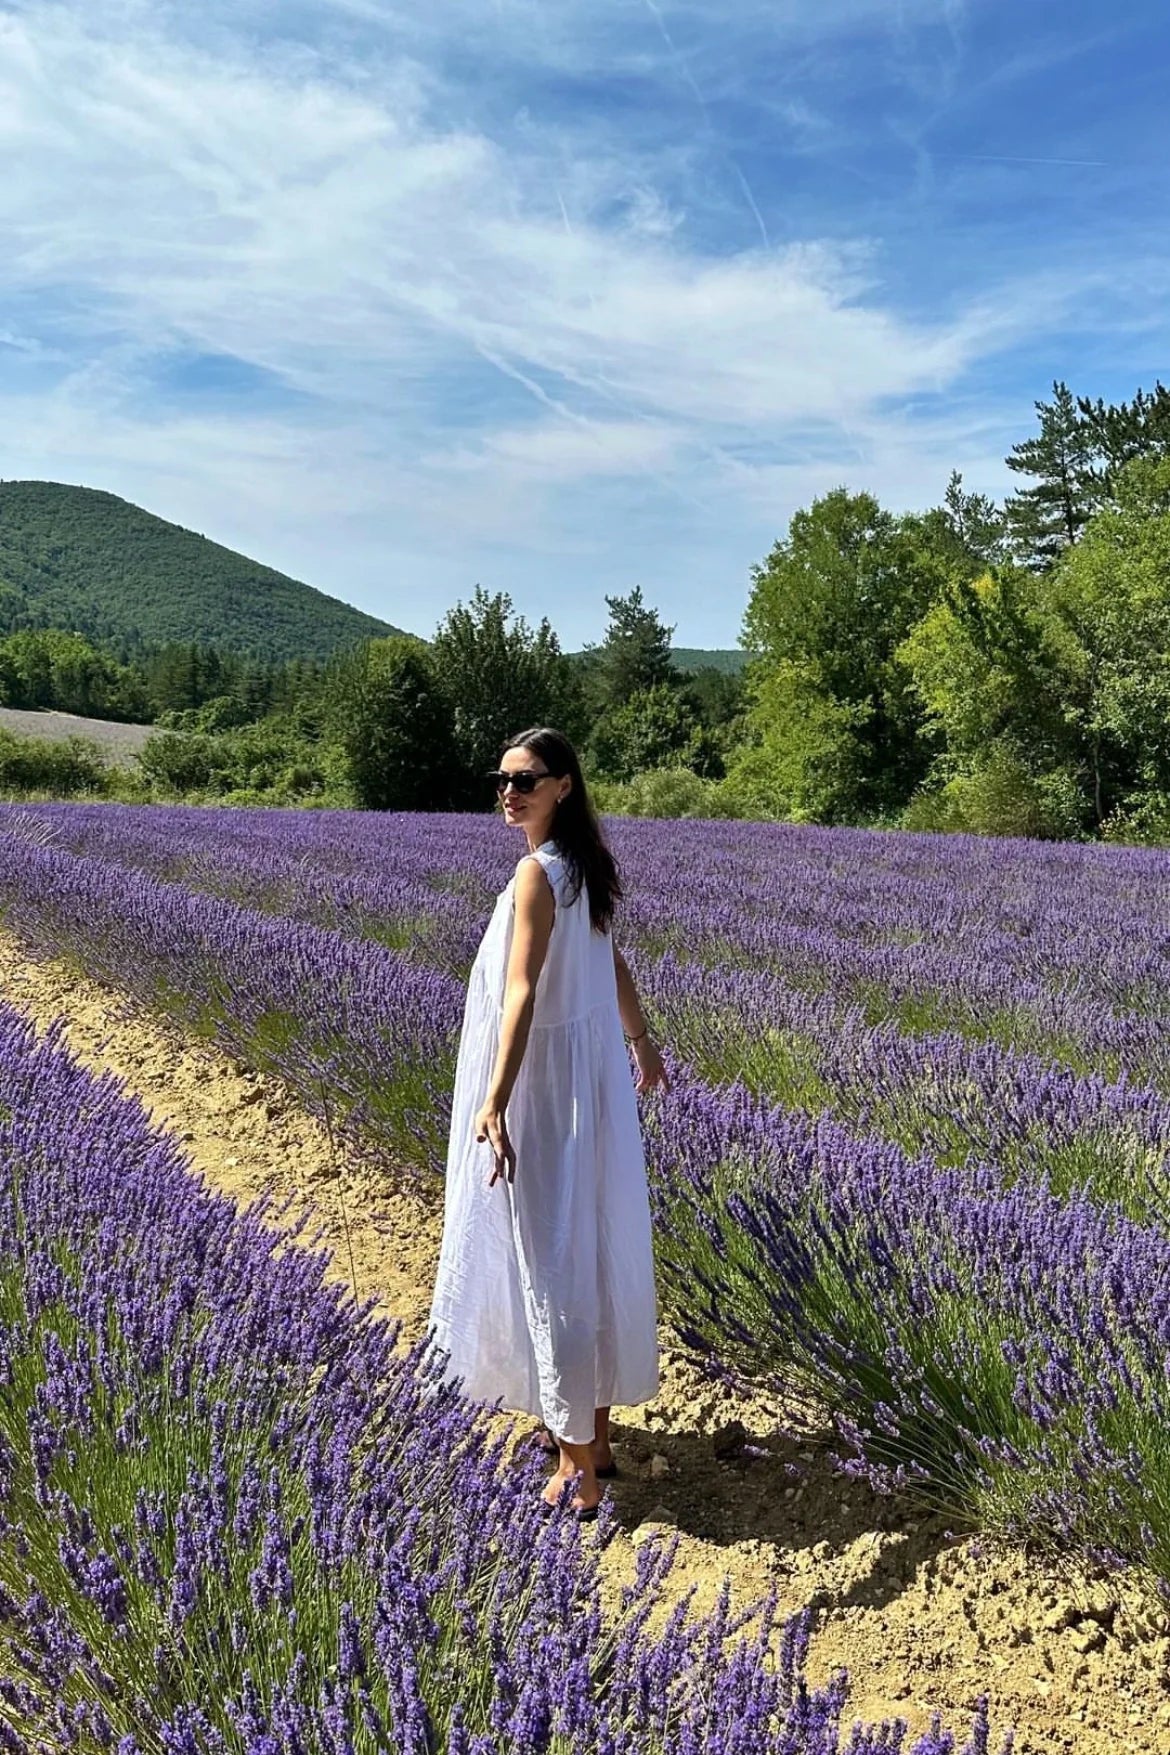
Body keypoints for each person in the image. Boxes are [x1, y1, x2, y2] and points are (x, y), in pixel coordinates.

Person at [428, 726, 668, 1519]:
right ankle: (594, 1437)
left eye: (526, 777)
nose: (509, 790)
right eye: (500, 778)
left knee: (552, 1260)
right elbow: (614, 962)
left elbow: (523, 992)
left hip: (548, 1088)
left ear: (563, 783)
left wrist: (495, 1099)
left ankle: (579, 1473)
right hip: (590, 1083)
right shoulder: (582, 865)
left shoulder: (539, 873)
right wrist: (641, 1043)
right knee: (592, 1247)